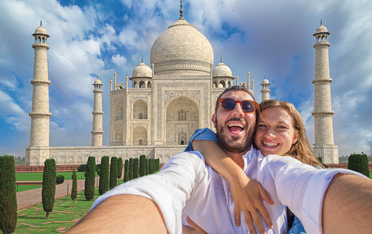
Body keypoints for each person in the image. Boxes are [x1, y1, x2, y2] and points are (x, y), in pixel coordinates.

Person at [67, 86, 372, 234]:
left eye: (248, 106)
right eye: (228, 104)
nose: (237, 110)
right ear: (214, 118)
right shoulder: (195, 161)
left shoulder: (273, 166)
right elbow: (160, 189)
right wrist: (237, 179)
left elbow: (313, 184)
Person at [183, 99, 324, 233]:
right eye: (261, 126)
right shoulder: (245, 163)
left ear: (295, 136)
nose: (270, 134)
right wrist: (237, 177)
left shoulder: (307, 175)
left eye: (281, 127)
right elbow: (202, 135)